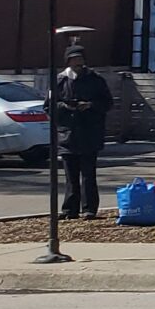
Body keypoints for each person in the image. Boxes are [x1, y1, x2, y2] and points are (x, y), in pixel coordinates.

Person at [50, 41, 115, 219]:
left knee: (88, 174)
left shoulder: (95, 79)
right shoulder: (59, 80)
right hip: (68, 135)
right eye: (74, 59)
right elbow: (49, 107)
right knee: (70, 176)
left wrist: (90, 106)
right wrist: (65, 107)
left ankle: (89, 209)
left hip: (89, 134)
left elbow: (107, 103)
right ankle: (69, 209)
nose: (77, 63)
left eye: (80, 58)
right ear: (68, 61)